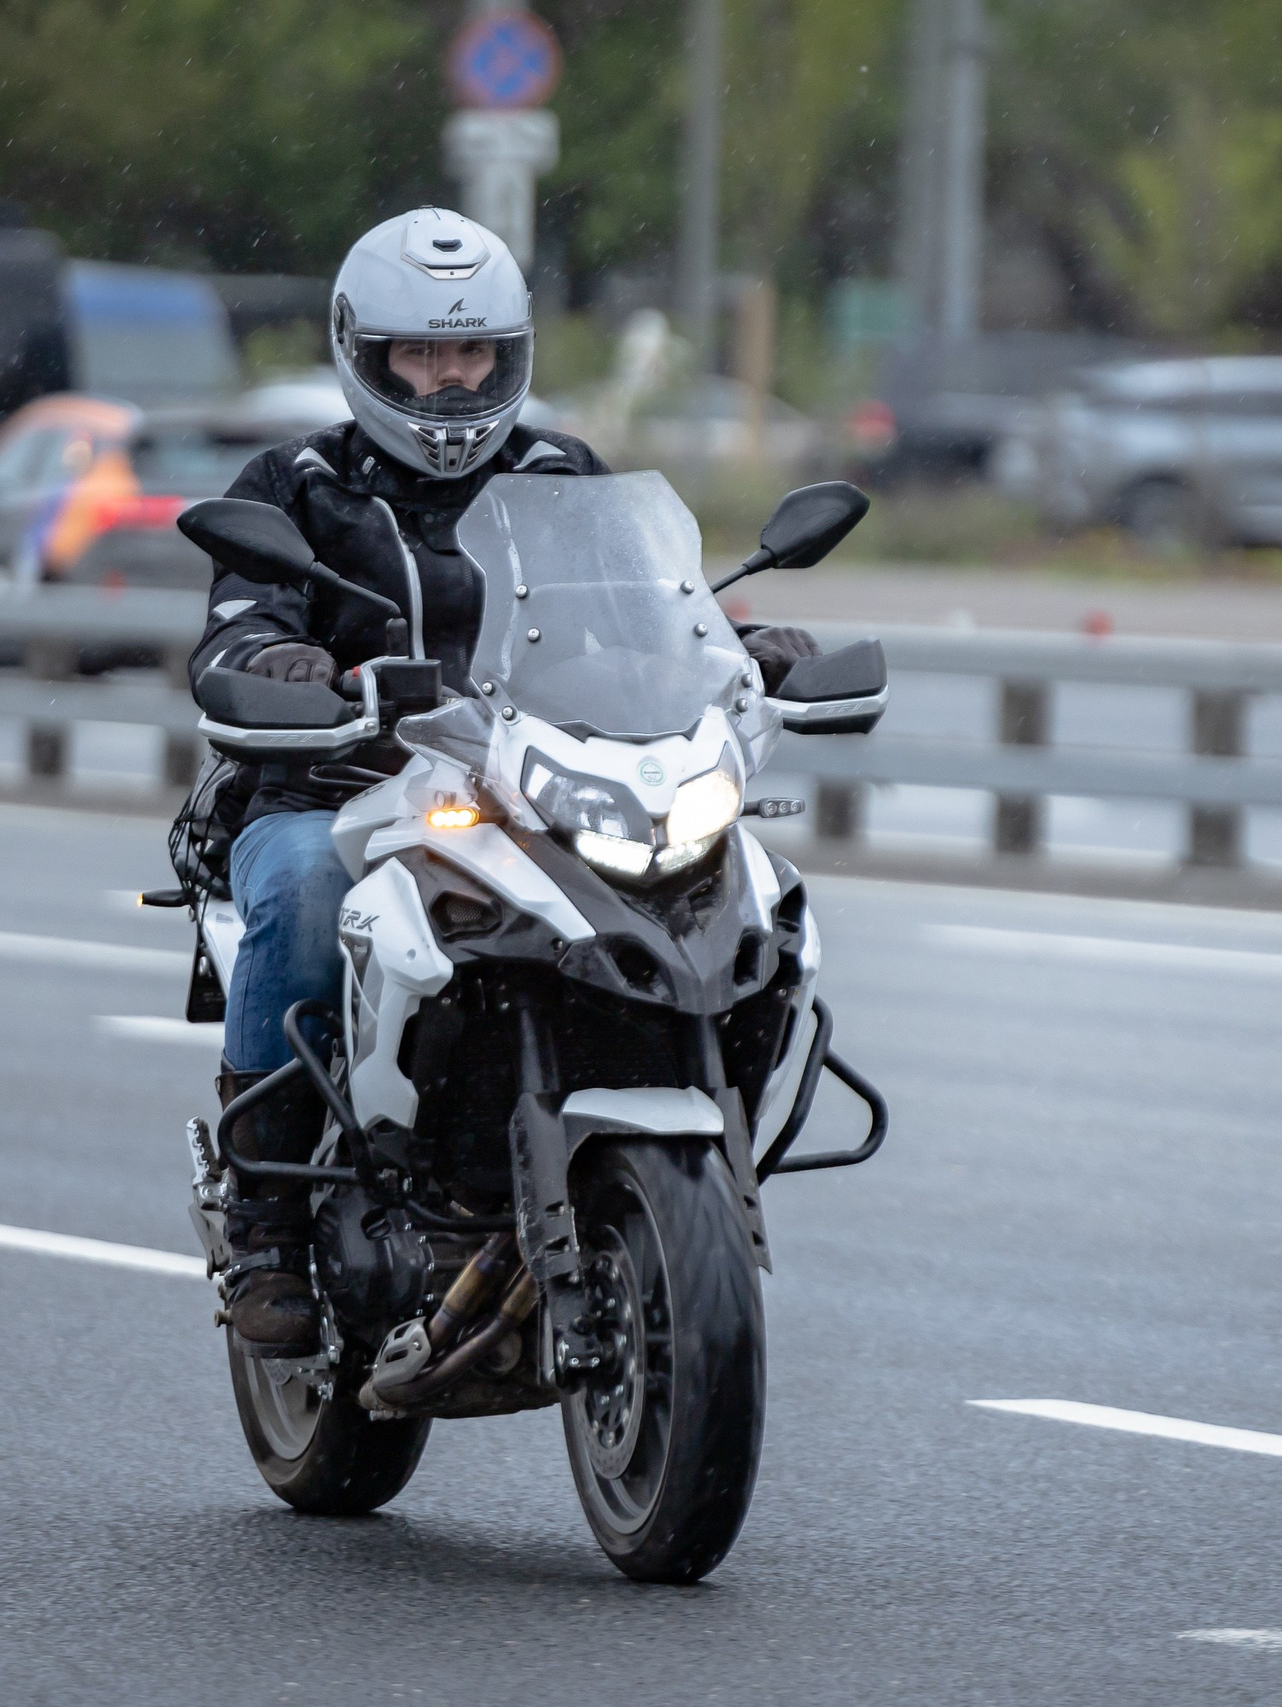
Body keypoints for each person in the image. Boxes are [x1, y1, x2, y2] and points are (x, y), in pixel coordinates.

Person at [188, 208, 820, 1354]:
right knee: (298, 892)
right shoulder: (296, 483)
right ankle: (266, 1223)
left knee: (749, 885)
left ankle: (689, 1171)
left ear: (508, 353)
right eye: (418, 355)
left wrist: (749, 647)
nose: (446, 380)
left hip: (528, 788)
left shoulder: (560, 471)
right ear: (363, 353)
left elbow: (653, 613)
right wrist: (286, 664)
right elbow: (234, 635)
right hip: (341, 789)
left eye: (470, 352)